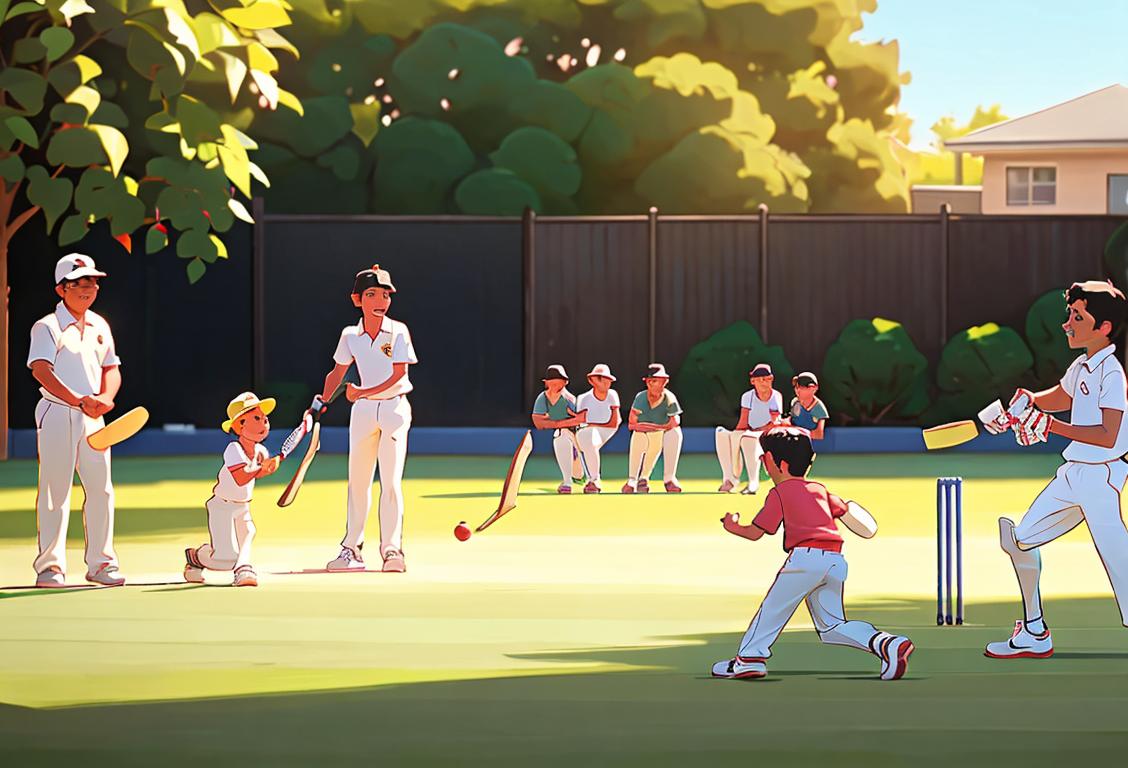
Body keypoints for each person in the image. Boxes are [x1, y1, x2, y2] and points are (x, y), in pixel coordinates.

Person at [982, 280, 1128, 658]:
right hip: (1075, 472)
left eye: (1078, 317)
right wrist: (1027, 403)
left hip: (1102, 474)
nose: (1067, 324)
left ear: (1104, 328)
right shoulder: (1082, 365)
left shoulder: (1112, 373)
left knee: (1118, 556)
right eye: (1070, 314)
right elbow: (1062, 396)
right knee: (1018, 539)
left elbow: (1108, 435)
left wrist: (1050, 426)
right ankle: (1034, 630)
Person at [712, 427, 914, 681]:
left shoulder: (779, 492)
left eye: (765, 457)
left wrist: (732, 526)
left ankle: (748, 660)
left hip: (805, 560)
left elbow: (755, 532)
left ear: (779, 463)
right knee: (832, 626)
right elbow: (849, 514)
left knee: (773, 609)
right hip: (835, 561)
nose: (762, 460)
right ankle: (887, 644)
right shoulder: (821, 490)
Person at [27, 254, 125, 588]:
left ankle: (102, 564)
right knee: (55, 490)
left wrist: (106, 398)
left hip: (94, 416)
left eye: (93, 282)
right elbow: (41, 370)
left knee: (102, 490)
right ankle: (50, 568)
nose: (88, 288)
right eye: (79, 282)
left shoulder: (100, 325)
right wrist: (77, 399)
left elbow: (111, 369)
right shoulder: (47, 326)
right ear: (61, 289)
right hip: (57, 412)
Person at [316, 265, 418, 573]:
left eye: (385, 295)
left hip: (394, 410)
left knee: (391, 482)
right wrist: (320, 402)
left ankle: (392, 550)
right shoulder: (350, 335)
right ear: (357, 300)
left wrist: (362, 391)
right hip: (362, 413)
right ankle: (351, 549)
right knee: (358, 482)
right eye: (372, 294)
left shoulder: (398, 331)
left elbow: (399, 374)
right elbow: (337, 373)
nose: (380, 301)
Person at [184, 393, 281, 587]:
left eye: (265, 419)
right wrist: (260, 468)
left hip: (243, 506)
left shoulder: (261, 451)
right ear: (240, 425)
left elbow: (256, 474)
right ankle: (197, 557)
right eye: (256, 418)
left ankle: (243, 570)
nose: (263, 423)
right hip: (222, 507)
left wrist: (269, 468)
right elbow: (241, 477)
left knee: (248, 533)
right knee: (225, 559)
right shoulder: (233, 449)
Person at [714, 363, 782, 495]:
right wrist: (735, 436)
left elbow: (773, 423)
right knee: (721, 433)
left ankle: (753, 483)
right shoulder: (747, 396)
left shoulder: (776, 396)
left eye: (766, 379)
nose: (763, 382)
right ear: (753, 381)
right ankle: (729, 479)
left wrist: (752, 432)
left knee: (747, 438)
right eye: (759, 379)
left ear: (771, 379)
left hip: (769, 433)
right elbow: (743, 422)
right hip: (750, 430)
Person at [623, 363, 683, 494]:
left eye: (662, 381)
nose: (660, 384)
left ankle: (669, 479)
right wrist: (653, 427)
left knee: (675, 433)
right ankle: (632, 479)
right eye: (654, 381)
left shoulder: (669, 398)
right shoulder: (640, 398)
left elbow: (674, 423)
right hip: (643, 434)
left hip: (660, 435)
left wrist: (651, 427)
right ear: (647, 382)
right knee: (638, 435)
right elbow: (632, 424)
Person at [531, 364, 586, 494]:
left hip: (577, 435)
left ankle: (585, 475)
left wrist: (553, 423)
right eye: (551, 381)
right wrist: (560, 424)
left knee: (580, 474)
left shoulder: (569, 399)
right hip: (563, 433)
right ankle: (567, 482)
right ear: (546, 383)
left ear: (565, 382)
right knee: (560, 437)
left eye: (558, 381)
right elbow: (538, 422)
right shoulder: (543, 398)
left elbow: (580, 420)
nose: (554, 385)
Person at [576, 364, 621, 493]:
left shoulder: (612, 395)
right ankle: (572, 479)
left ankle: (594, 480)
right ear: (591, 381)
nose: (606, 381)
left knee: (589, 438)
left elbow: (614, 423)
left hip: (607, 431)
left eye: (608, 378)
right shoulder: (583, 398)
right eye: (600, 378)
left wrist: (593, 426)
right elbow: (581, 423)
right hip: (585, 432)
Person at [786, 371, 829, 440]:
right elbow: (793, 419)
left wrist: (798, 432)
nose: (798, 390)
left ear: (814, 388)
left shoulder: (819, 408)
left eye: (802, 387)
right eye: (796, 387)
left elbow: (819, 435)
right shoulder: (795, 402)